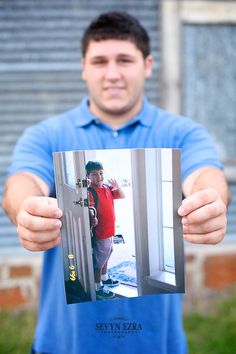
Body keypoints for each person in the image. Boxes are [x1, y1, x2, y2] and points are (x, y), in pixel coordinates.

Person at [2, 11, 229, 354]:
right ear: (83, 67)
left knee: (105, 257)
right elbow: (22, 182)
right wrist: (25, 211)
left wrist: (211, 199)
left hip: (157, 343)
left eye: (124, 59)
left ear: (147, 64)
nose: (112, 74)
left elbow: (203, 174)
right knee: (97, 261)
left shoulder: (182, 132)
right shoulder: (46, 135)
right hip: (64, 343)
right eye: (99, 61)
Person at [85, 160, 125, 300]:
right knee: (99, 259)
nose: (99, 177)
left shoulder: (107, 188)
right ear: (88, 176)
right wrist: (92, 218)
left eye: (101, 173)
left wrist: (117, 187)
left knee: (107, 254)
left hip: (110, 230)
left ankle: (104, 277)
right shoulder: (90, 191)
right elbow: (89, 209)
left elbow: (121, 195)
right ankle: (97, 286)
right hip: (101, 232)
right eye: (94, 174)